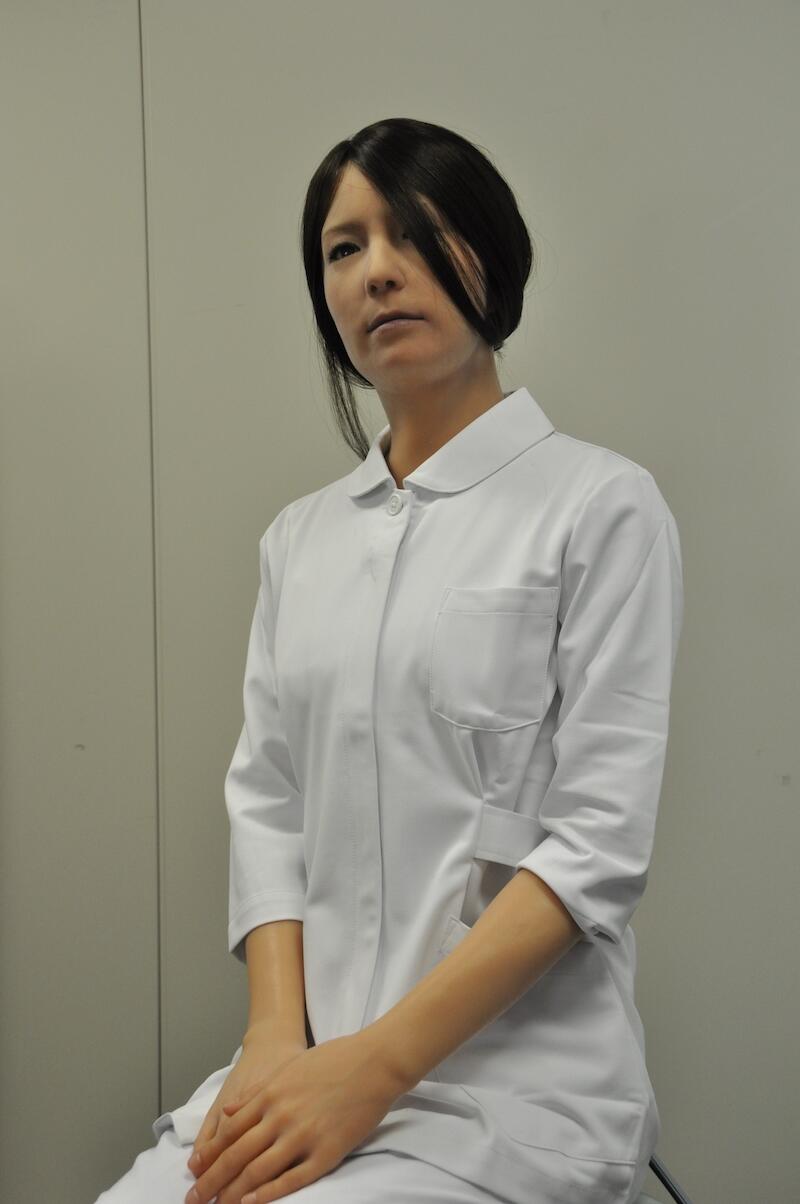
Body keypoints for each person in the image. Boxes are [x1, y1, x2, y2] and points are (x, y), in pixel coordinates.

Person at [95, 117, 683, 1204]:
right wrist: (275, 1041)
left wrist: (371, 1070)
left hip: (511, 1097)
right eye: (344, 247)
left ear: (492, 256)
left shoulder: (598, 507)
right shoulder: (300, 539)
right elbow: (269, 806)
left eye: (415, 231)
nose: (377, 270)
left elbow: (594, 844)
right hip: (304, 1071)